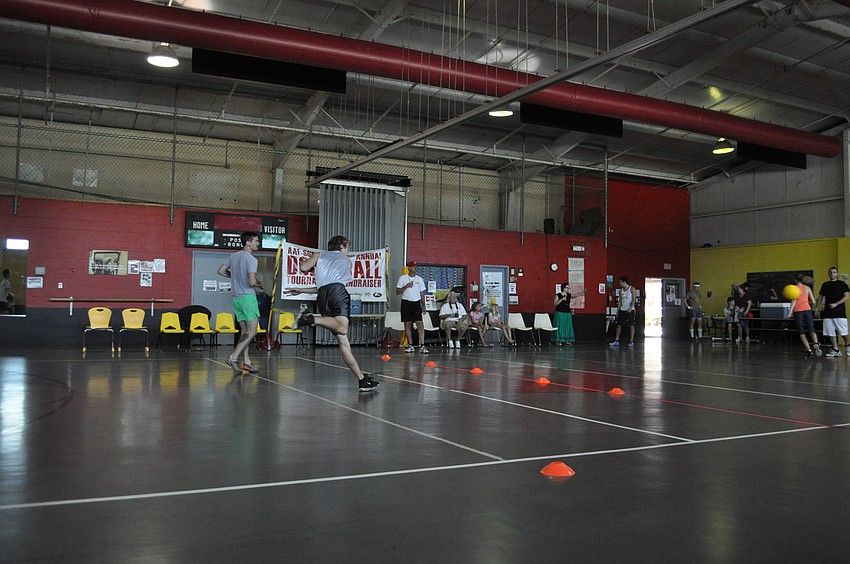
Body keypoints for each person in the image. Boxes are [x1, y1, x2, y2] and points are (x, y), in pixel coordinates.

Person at [286, 235, 379, 392]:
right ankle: (310, 319)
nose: (348, 250)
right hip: (337, 293)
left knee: (343, 341)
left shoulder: (319, 255)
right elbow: (336, 284)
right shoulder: (346, 260)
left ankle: (362, 380)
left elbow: (305, 269)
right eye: (347, 247)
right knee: (342, 328)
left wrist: (301, 289)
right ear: (342, 246)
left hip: (323, 296)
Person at [217, 232, 263, 374]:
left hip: (236, 298)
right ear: (248, 243)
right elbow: (251, 281)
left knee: (245, 331)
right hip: (247, 298)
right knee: (252, 331)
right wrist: (259, 284)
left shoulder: (233, 256)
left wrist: (235, 277)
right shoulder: (251, 259)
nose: (258, 243)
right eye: (256, 241)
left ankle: (247, 362)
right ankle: (233, 357)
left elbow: (221, 271)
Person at [395, 260, 429, 354]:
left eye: (415, 266)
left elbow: (422, 293)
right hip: (406, 302)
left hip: (416, 303)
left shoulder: (419, 279)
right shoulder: (403, 278)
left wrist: (424, 306)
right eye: (413, 266)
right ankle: (410, 344)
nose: (415, 268)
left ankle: (422, 345)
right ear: (409, 268)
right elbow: (397, 292)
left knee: (420, 324)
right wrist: (406, 286)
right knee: (407, 324)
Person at [815, 266, 850, 357]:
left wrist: (836, 304)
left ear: (837, 274)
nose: (832, 274)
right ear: (828, 273)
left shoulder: (842, 284)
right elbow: (821, 297)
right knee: (830, 331)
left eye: (834, 272)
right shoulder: (825, 284)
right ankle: (836, 349)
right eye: (830, 272)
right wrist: (816, 308)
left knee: (843, 331)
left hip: (839, 312)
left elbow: (847, 296)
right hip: (827, 312)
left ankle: (847, 345)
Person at [786, 273, 822, 358]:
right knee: (811, 330)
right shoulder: (807, 288)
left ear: (795, 280)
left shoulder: (794, 289)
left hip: (797, 311)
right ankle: (816, 343)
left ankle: (809, 351)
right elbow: (813, 302)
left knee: (802, 332)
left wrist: (790, 312)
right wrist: (806, 302)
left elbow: (794, 301)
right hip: (807, 310)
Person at [609, 276, 635, 348]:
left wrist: (630, 308)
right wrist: (618, 310)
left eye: (620, 282)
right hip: (622, 309)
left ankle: (631, 341)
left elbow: (633, 299)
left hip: (630, 310)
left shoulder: (632, 289)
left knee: (631, 325)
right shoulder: (621, 291)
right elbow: (620, 301)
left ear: (624, 282)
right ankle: (616, 340)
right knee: (619, 325)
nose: (619, 283)